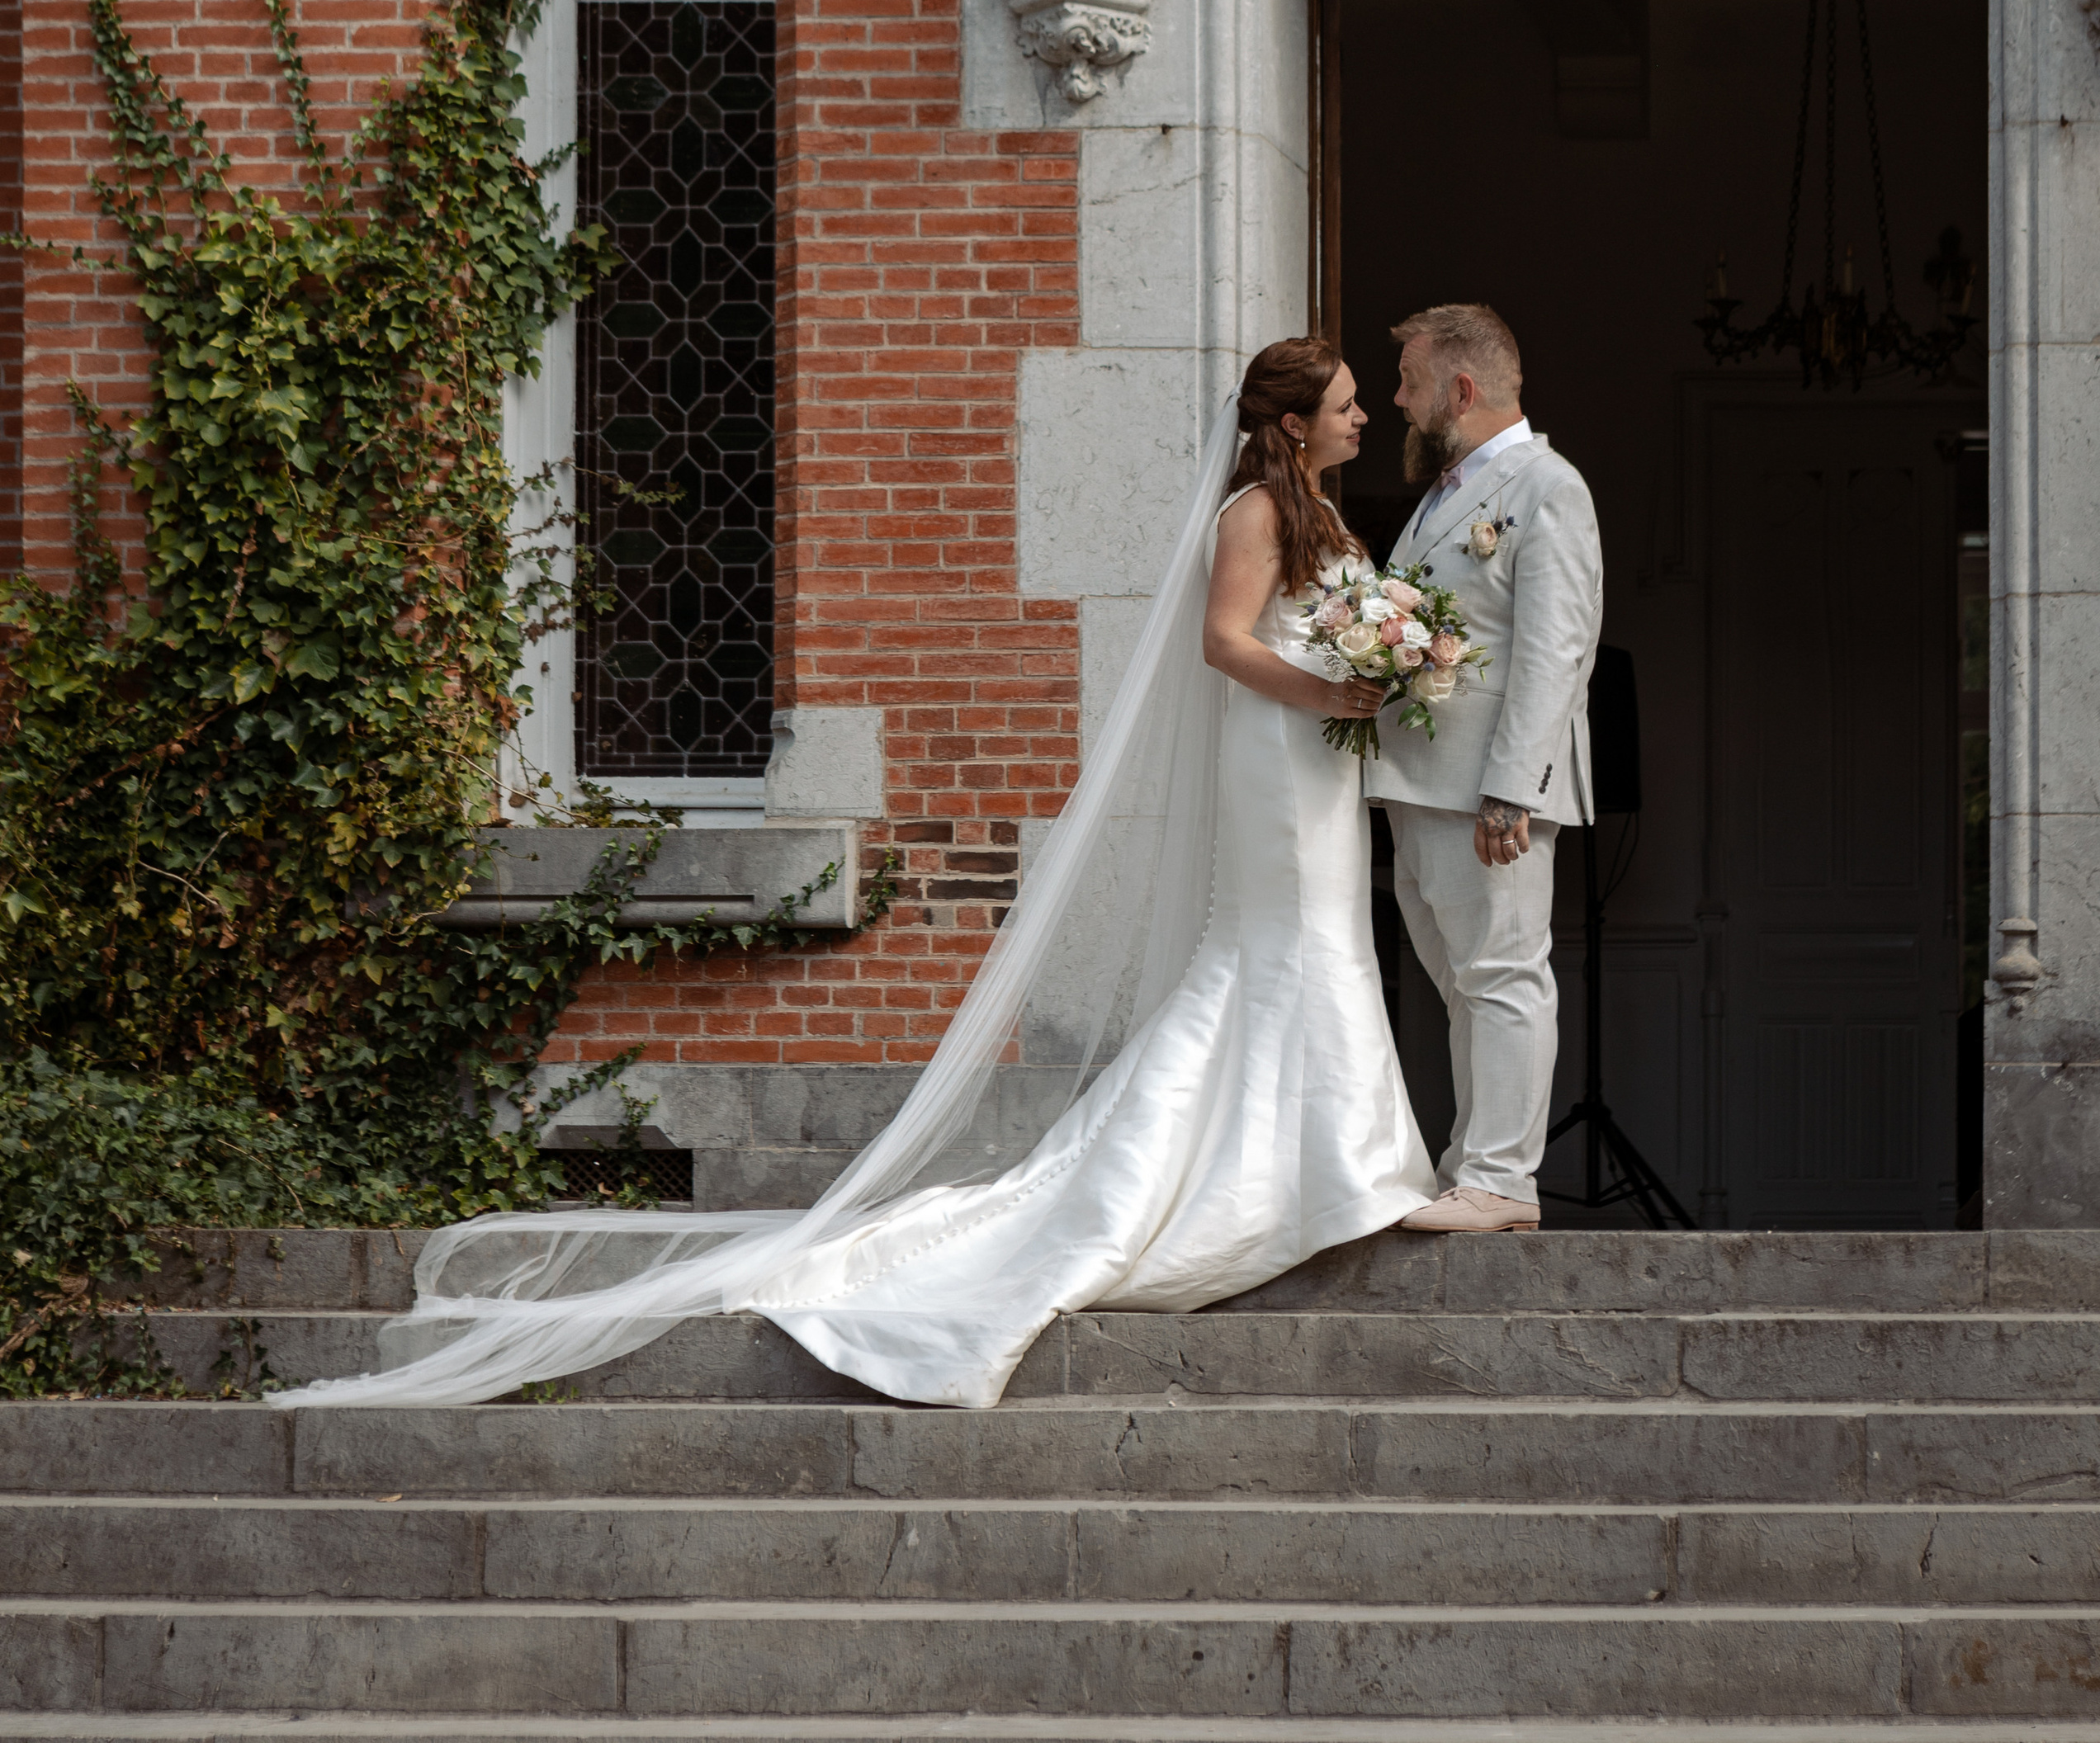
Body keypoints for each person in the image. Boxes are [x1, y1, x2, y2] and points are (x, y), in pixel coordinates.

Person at [269, 337, 1435, 1415]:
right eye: (1342, 405)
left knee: (1313, 940)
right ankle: (1327, 1167)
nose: (1362, 416)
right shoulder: (1250, 513)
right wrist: (1328, 689)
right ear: (1290, 424)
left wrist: (1373, 667)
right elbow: (1223, 643)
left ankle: (1321, 1161)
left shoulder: (1318, 510)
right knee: (1282, 945)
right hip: (1279, 756)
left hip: (1315, 761)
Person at [1365, 302, 1603, 1235]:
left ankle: (1504, 1180)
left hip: (1485, 789)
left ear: (1458, 390)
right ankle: (1473, 1168)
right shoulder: (1444, 491)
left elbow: (1557, 647)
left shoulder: (1548, 487)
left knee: (1502, 974)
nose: (1394, 401)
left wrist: (1512, 786)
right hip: (1420, 781)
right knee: (1461, 984)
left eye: (1408, 383)